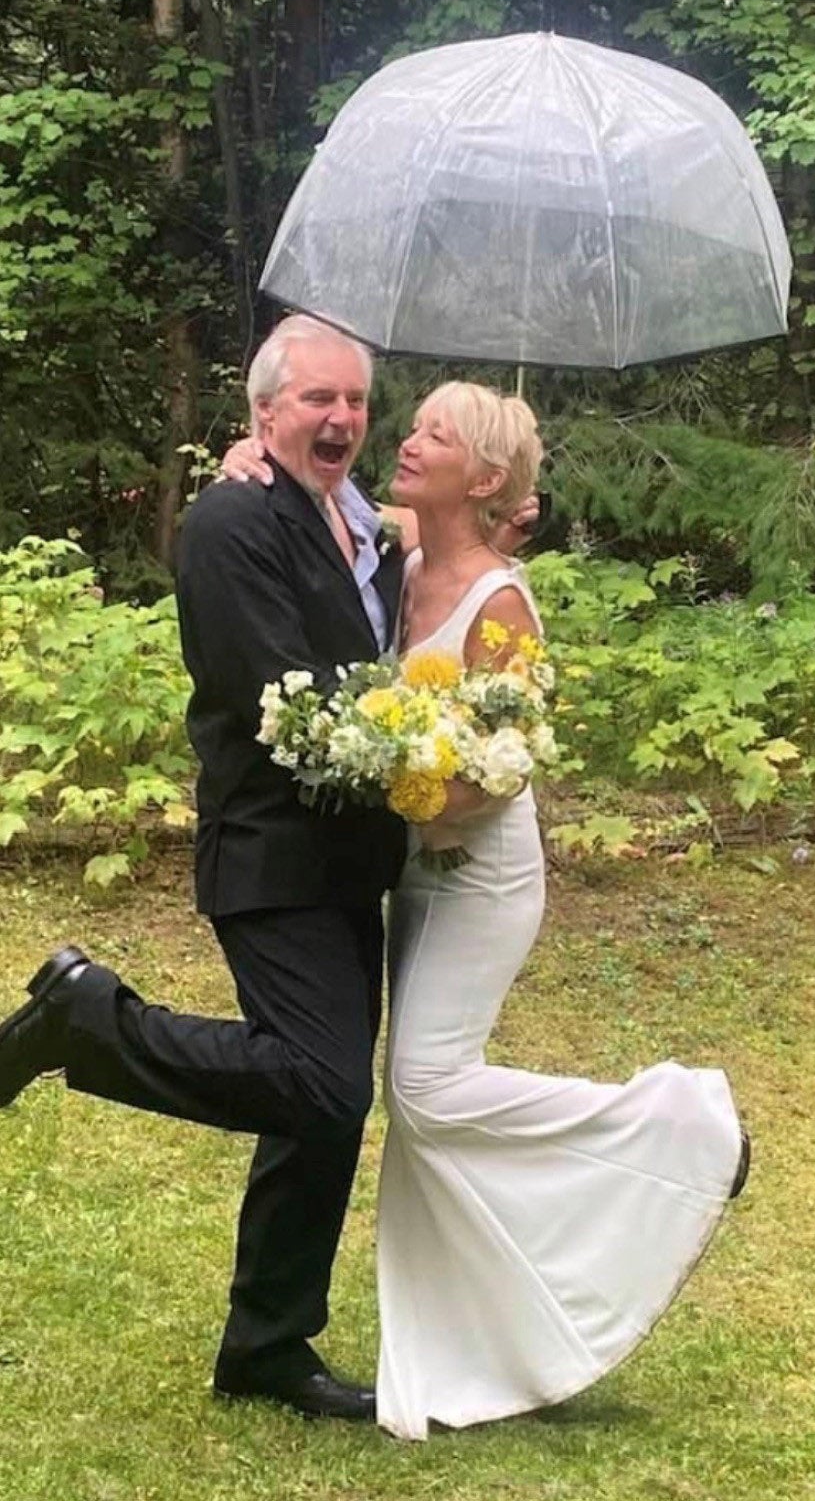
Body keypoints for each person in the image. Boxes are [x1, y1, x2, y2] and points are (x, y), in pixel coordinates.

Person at [223, 378, 750, 1440]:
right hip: (414, 876)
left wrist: (403, 780)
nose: (404, 441)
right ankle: (471, 1343)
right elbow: (315, 495)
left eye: (433, 434)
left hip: (482, 877)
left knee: (424, 1087)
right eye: (409, 425)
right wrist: (251, 456)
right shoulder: (403, 554)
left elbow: (509, 764)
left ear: (489, 477)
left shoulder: (500, 604)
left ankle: (680, 1124)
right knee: (419, 1117)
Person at [0, 314, 409, 1421]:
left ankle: (268, 1343)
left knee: (313, 1110)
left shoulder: (358, 525)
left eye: (355, 402)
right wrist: (419, 748)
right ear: (263, 412)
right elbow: (273, 692)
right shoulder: (235, 520)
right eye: (315, 399)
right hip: (273, 853)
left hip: (351, 860)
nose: (339, 418)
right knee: (326, 1081)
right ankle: (87, 1020)